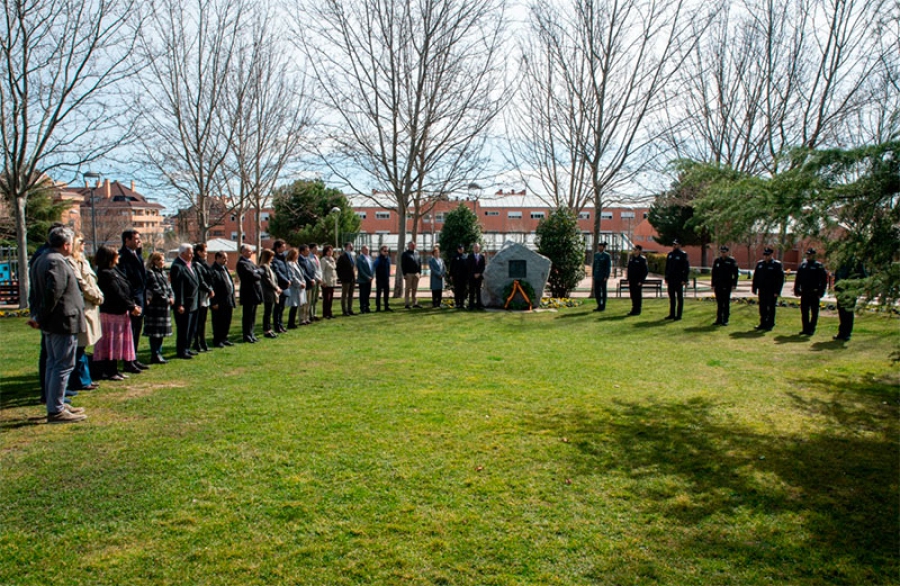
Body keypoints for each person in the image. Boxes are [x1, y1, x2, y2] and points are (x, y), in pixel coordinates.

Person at [29, 227, 87, 423]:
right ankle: (56, 409)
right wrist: (40, 316)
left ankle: (56, 403)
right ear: (66, 244)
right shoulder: (56, 261)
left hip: (52, 321)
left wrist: (37, 316)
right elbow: (53, 292)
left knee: (53, 364)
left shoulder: (42, 259)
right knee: (62, 364)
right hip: (61, 321)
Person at [95, 245, 141, 378]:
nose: (118, 257)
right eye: (116, 255)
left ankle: (114, 370)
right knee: (110, 343)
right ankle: (109, 370)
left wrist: (132, 304)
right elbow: (117, 292)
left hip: (120, 312)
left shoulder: (114, 270)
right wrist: (131, 307)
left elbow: (125, 287)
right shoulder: (104, 273)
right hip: (110, 313)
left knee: (117, 342)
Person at [65, 232, 102, 391]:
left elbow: (91, 281)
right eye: (81, 242)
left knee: (82, 347)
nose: (84, 244)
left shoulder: (82, 261)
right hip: (84, 306)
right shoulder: (71, 262)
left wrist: (98, 294)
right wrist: (95, 296)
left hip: (91, 305)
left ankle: (84, 378)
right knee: (78, 347)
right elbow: (81, 283)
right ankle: (81, 380)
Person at [118, 229, 149, 371]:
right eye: (135, 239)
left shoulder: (137, 255)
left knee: (137, 330)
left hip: (141, 297)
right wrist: (132, 302)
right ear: (127, 240)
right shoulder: (122, 257)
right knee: (130, 331)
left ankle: (134, 357)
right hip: (132, 300)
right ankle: (128, 361)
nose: (138, 241)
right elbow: (125, 280)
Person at [170, 243, 201, 358]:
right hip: (184, 303)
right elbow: (178, 287)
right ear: (182, 253)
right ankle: (181, 350)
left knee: (191, 328)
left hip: (194, 302)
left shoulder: (190, 265)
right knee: (184, 328)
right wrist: (180, 304)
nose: (192, 254)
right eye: (190, 252)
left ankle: (187, 348)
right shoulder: (177, 266)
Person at [143, 251, 174, 363]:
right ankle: (155, 353)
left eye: (163, 259)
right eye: (160, 259)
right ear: (154, 261)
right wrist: (166, 299)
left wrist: (171, 296)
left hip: (164, 307)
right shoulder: (150, 273)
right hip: (156, 307)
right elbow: (155, 289)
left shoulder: (163, 273)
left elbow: (169, 287)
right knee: (155, 333)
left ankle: (159, 352)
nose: (162, 262)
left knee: (161, 332)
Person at [793, 247, 828, 336]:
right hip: (805, 292)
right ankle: (805, 328)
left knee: (814, 312)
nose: (809, 256)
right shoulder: (803, 265)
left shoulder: (818, 266)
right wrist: (796, 289)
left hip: (814, 292)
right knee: (804, 311)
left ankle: (811, 329)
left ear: (814, 255)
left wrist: (821, 291)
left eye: (810, 255)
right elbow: (798, 278)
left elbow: (824, 280)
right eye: (808, 255)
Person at [752, 247, 785, 331]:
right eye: (765, 255)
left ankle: (770, 323)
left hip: (772, 290)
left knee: (771, 307)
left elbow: (780, 279)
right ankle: (763, 323)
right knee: (762, 307)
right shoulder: (760, 264)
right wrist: (754, 288)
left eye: (767, 255)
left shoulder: (777, 265)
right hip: (762, 290)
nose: (766, 257)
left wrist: (778, 291)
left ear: (771, 255)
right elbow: (756, 277)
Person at [833, 259, 866, 341]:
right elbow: (837, 276)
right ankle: (841, 333)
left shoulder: (856, 263)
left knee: (848, 312)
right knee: (841, 312)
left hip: (850, 291)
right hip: (840, 292)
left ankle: (847, 333)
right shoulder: (841, 262)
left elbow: (864, 276)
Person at [236, 244, 263, 343]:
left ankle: (251, 333)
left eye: (251, 251)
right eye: (247, 251)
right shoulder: (241, 263)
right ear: (242, 252)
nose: (250, 253)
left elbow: (260, 271)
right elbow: (252, 275)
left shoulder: (251, 262)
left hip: (255, 292)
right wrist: (257, 272)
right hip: (248, 293)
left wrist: (257, 272)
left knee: (253, 315)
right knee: (247, 315)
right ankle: (246, 335)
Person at [191, 242, 215, 352]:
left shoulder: (205, 263)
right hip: (200, 294)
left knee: (203, 320)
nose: (206, 253)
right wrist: (208, 289)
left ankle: (202, 342)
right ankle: (197, 342)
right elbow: (200, 280)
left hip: (205, 295)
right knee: (199, 320)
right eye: (204, 251)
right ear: (198, 252)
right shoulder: (196, 264)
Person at [210, 251, 236, 347]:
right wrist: (214, 302)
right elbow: (212, 287)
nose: (226, 260)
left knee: (226, 321)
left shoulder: (224, 269)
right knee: (218, 322)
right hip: (219, 301)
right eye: (224, 258)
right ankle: (217, 340)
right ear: (217, 258)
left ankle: (224, 338)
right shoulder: (213, 270)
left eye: (226, 258)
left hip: (228, 300)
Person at [710, 245, 739, 326]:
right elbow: (714, 273)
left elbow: (735, 274)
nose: (723, 253)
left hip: (727, 284)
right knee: (719, 303)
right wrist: (713, 283)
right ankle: (719, 319)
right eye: (722, 252)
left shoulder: (731, 261)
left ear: (727, 252)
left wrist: (734, 284)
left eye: (724, 252)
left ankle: (725, 319)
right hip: (718, 284)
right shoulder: (717, 261)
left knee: (726, 302)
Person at [258, 248, 281, 338]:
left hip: (271, 292)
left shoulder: (268, 266)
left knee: (269, 311)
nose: (272, 258)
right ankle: (266, 330)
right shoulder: (264, 266)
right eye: (271, 257)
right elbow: (268, 280)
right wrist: (276, 288)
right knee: (267, 312)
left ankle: (269, 329)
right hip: (267, 292)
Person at [664, 240, 690, 320]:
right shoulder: (670, 254)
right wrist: (666, 277)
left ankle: (679, 315)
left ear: (679, 245)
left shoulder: (683, 254)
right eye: (673, 244)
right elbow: (667, 267)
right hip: (671, 279)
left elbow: (686, 268)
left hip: (679, 280)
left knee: (679, 298)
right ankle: (672, 314)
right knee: (672, 298)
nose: (674, 246)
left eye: (676, 244)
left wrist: (684, 279)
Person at [271, 240, 291, 333]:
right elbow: (277, 272)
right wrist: (285, 280)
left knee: (282, 307)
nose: (285, 248)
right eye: (283, 247)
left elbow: (287, 270)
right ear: (277, 248)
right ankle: (277, 325)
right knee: (278, 307)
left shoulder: (283, 257)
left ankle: (281, 324)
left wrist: (289, 279)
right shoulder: (274, 258)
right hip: (280, 285)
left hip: (285, 285)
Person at [285, 248, 307, 329]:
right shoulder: (289, 264)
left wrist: (303, 282)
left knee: (297, 305)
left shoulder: (296, 263)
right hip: (294, 288)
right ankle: (290, 323)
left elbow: (301, 274)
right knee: (293, 306)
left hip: (300, 287)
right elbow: (293, 276)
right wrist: (299, 284)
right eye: (295, 254)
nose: (297, 256)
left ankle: (292, 322)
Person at [626, 245, 648, 316]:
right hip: (632, 280)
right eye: (634, 249)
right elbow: (629, 269)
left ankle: (638, 309)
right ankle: (633, 308)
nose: (634, 251)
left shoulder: (642, 259)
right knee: (632, 295)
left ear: (639, 251)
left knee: (637, 295)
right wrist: (628, 279)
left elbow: (645, 271)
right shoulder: (631, 259)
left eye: (636, 249)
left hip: (638, 281)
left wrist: (641, 281)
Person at [298, 245, 317, 324]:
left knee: (308, 302)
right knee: (303, 302)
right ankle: (302, 319)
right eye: (307, 250)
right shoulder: (300, 260)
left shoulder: (307, 259)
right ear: (302, 251)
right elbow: (303, 273)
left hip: (310, 284)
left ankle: (307, 317)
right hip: (304, 283)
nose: (308, 252)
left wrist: (313, 278)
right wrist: (310, 279)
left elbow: (311, 270)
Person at [336, 242, 356, 316]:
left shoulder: (351, 255)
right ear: (346, 247)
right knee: (344, 295)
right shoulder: (342, 256)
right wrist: (341, 278)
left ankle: (349, 309)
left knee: (351, 295)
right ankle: (344, 311)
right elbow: (338, 269)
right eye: (350, 246)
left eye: (352, 246)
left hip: (352, 278)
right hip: (345, 279)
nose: (351, 247)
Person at [401, 241, 422, 309]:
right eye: (412, 245)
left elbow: (419, 263)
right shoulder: (405, 254)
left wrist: (419, 272)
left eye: (414, 245)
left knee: (414, 289)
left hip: (416, 274)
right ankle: (407, 304)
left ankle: (414, 303)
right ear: (408, 246)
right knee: (408, 289)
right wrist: (404, 274)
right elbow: (403, 264)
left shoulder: (417, 253)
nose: (413, 246)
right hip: (409, 274)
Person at [592, 242, 611, 312]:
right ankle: (599, 304)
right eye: (599, 246)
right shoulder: (596, 255)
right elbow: (594, 265)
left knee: (603, 291)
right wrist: (593, 274)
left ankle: (603, 305)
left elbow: (608, 267)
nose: (599, 248)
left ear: (603, 247)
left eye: (601, 246)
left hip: (603, 277)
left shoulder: (607, 255)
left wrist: (606, 276)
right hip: (597, 276)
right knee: (597, 291)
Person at [320, 245, 338, 319]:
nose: (330, 252)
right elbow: (322, 271)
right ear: (326, 252)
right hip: (326, 281)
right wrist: (323, 281)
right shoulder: (324, 260)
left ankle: (329, 312)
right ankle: (325, 313)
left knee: (330, 299)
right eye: (329, 251)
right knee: (326, 298)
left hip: (332, 281)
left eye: (331, 251)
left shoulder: (332, 259)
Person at [466, 243, 486, 310]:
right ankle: (471, 306)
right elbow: (468, 267)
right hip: (472, 277)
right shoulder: (470, 256)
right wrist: (473, 274)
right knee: (471, 291)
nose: (476, 248)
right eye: (475, 247)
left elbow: (483, 266)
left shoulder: (482, 256)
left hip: (479, 277)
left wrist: (479, 273)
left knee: (478, 291)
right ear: (473, 248)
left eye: (477, 247)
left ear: (479, 248)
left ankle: (478, 306)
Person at [356, 245, 375, 314]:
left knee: (367, 293)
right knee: (363, 294)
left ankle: (367, 307)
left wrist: (372, 276)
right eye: (366, 249)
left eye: (368, 249)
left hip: (369, 279)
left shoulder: (370, 258)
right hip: (363, 280)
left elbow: (372, 268)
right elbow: (361, 270)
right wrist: (367, 277)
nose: (367, 251)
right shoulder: (360, 258)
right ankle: (362, 308)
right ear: (362, 250)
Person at [373, 245, 393, 312]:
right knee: (378, 294)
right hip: (379, 280)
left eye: (387, 251)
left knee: (386, 293)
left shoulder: (388, 259)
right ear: (381, 251)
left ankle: (386, 306)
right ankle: (378, 308)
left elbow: (388, 268)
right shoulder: (378, 259)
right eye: (385, 251)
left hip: (386, 279)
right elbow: (374, 266)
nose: (386, 252)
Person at [449, 244, 468, 309]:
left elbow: (467, 267)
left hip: (463, 277)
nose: (461, 250)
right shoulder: (454, 257)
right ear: (458, 249)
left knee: (463, 291)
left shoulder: (465, 257)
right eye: (459, 249)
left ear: (463, 249)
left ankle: (462, 304)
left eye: (462, 248)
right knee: (457, 291)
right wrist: (451, 275)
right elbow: (451, 266)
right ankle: (457, 304)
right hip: (456, 277)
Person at [308, 243, 323, 321]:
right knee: (312, 298)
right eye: (315, 248)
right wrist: (317, 278)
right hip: (313, 279)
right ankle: (310, 314)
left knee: (316, 298)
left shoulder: (316, 257)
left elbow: (319, 269)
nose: (317, 250)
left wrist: (321, 277)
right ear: (311, 249)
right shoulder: (309, 258)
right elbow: (312, 270)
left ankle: (315, 313)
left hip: (318, 280)